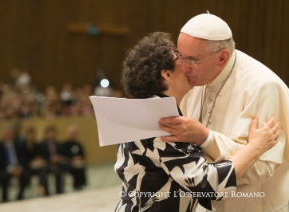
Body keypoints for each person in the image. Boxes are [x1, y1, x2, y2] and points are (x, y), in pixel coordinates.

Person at [115, 32, 280, 212]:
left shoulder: (144, 111)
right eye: (180, 58)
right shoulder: (161, 122)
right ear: (167, 74)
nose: (187, 65)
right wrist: (256, 146)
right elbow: (207, 185)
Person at [158, 13, 289, 212]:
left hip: (254, 204)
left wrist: (205, 138)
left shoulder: (262, 87)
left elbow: (260, 167)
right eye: (181, 56)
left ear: (222, 58)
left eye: (192, 60)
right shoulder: (191, 77)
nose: (183, 67)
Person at [0, 126, 29, 201]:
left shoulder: (18, 144)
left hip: (18, 167)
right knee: (4, 176)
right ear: (2, 134)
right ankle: (5, 197)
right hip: (6, 168)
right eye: (6, 133)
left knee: (26, 175)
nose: (7, 135)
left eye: (9, 133)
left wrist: (20, 167)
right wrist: (10, 169)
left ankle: (20, 196)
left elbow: (23, 158)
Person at [37, 125, 65, 194]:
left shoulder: (58, 144)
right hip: (47, 164)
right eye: (50, 133)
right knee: (44, 171)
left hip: (57, 164)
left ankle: (59, 190)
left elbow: (62, 154)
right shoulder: (41, 144)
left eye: (53, 133)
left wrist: (58, 158)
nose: (52, 135)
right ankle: (45, 191)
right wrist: (50, 159)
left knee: (59, 171)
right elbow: (41, 157)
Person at [61, 125, 86, 190]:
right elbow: (63, 157)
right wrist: (72, 159)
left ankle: (81, 184)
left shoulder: (79, 144)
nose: (73, 135)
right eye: (72, 133)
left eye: (75, 133)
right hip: (68, 164)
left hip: (77, 163)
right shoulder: (64, 144)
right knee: (75, 167)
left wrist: (79, 158)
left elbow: (82, 155)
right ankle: (76, 185)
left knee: (81, 166)